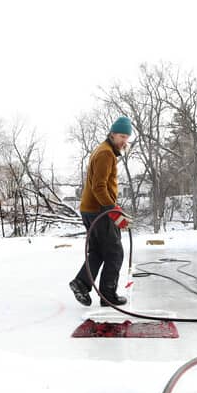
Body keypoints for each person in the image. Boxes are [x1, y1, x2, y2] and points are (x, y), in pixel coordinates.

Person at [68, 116, 133, 307]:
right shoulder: (106, 154)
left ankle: (81, 283)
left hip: (90, 209)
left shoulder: (103, 150)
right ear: (112, 134)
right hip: (98, 210)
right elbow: (99, 187)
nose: (124, 141)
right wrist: (112, 210)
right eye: (121, 136)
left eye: (126, 137)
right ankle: (108, 295)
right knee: (114, 252)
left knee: (97, 252)